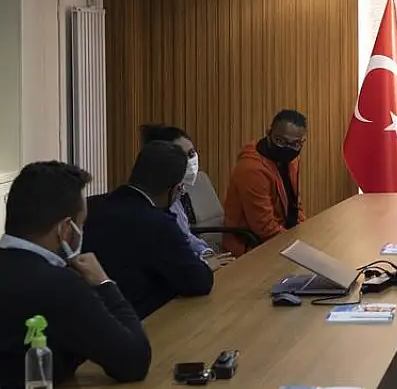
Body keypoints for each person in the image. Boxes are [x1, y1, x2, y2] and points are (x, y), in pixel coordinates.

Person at [0, 161, 151, 389]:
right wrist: (104, 283)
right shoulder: (61, 286)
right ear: (65, 229)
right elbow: (134, 361)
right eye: (81, 224)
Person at [83, 141, 216, 318]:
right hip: (139, 320)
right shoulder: (158, 224)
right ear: (175, 189)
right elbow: (199, 282)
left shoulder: (90, 205)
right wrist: (206, 264)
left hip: (87, 318)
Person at [139, 124, 233, 269]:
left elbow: (186, 236)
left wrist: (206, 253)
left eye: (192, 153)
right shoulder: (153, 203)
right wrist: (203, 263)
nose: (190, 161)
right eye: (183, 156)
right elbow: (171, 257)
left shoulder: (175, 196)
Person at [224, 109, 308, 255]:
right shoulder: (251, 169)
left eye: (295, 144)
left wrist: (306, 232)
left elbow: (295, 206)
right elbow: (264, 228)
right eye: (280, 141)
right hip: (251, 246)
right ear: (268, 133)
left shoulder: (292, 160)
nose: (287, 148)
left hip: (281, 238)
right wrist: (298, 245)